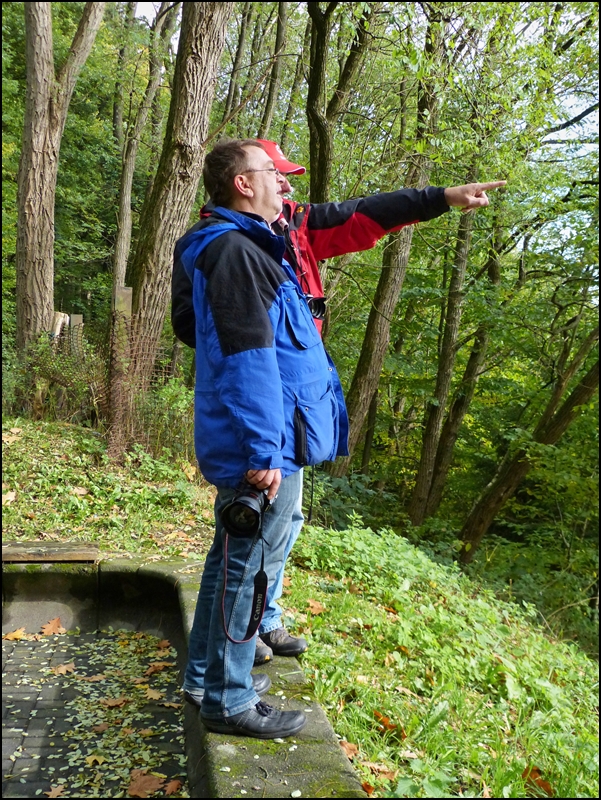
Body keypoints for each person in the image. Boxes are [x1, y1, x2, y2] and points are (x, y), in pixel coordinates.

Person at [172, 138, 506, 671]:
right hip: (266, 396)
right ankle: (226, 662)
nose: (286, 184)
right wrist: (268, 350)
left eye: (288, 177)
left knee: (285, 518)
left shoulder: (291, 227)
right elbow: (201, 328)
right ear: (244, 182)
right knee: (253, 535)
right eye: (276, 174)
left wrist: (443, 197)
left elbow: (366, 213)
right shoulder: (227, 244)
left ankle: (264, 619)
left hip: (293, 399)